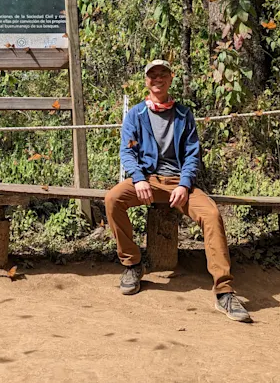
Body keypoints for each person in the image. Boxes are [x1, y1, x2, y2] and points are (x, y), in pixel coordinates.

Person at [105, 59, 252, 323]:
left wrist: (185, 184)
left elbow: (192, 154)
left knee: (211, 214)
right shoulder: (136, 114)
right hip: (147, 181)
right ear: (146, 81)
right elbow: (127, 152)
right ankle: (132, 264)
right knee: (113, 198)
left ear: (171, 79)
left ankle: (224, 291)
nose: (157, 79)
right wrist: (138, 178)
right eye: (152, 75)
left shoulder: (184, 114)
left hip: (178, 183)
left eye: (163, 74)